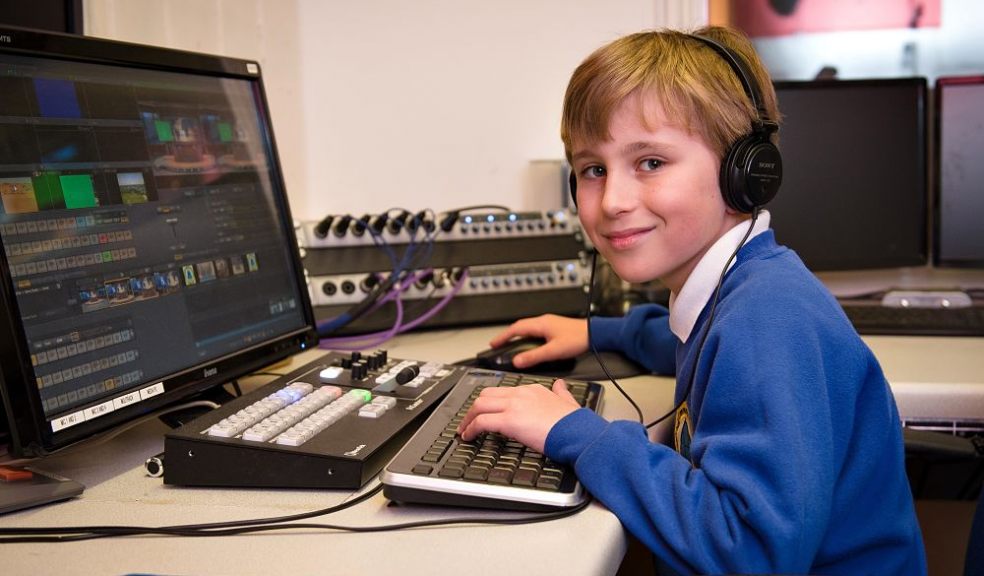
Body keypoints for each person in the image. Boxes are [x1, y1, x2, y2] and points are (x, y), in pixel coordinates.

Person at [457, 26, 926, 575]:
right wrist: (598, 334)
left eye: (651, 162)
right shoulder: (741, 291)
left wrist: (576, 435)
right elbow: (683, 340)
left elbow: (748, 552)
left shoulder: (766, 319)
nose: (612, 201)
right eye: (593, 170)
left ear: (743, 174)